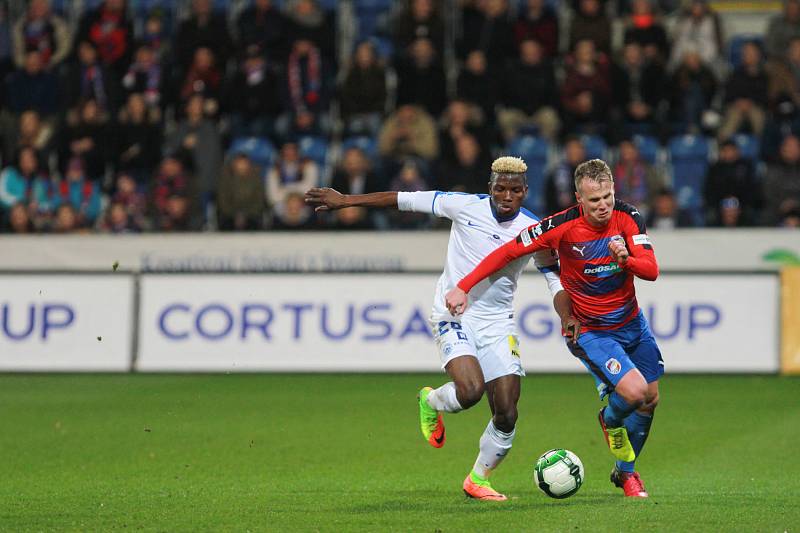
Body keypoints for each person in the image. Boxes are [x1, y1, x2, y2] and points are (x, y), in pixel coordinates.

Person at [305, 157, 570, 501]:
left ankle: (478, 479)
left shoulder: (535, 229)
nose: (507, 196)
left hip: (497, 321)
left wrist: (566, 315)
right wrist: (346, 201)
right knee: (471, 390)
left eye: (515, 190)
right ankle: (431, 400)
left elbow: (554, 276)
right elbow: (403, 198)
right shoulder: (463, 205)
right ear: (490, 188)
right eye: (500, 188)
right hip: (452, 313)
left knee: (506, 411)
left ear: (525, 192)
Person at [446, 159, 662, 499]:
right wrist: (463, 286)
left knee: (650, 400)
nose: (603, 205)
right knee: (634, 393)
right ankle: (608, 419)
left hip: (632, 324)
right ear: (579, 198)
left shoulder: (628, 217)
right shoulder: (558, 227)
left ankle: (625, 473)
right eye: (594, 200)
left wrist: (627, 260)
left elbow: (651, 270)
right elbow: (506, 253)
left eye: (607, 196)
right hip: (591, 329)